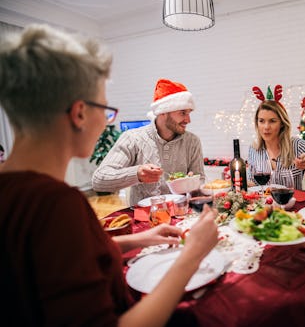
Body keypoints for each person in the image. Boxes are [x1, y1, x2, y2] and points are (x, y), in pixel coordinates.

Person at [0, 24, 219, 326]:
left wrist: (140, 239)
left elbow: (67, 259)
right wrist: (192, 255)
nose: (106, 121)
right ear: (79, 113)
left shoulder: (18, 193)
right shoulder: (55, 205)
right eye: (105, 108)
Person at [92, 78, 205, 206]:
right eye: (182, 113)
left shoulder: (192, 141)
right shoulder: (132, 138)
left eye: (189, 113)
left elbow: (200, 178)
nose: (188, 120)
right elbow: (99, 180)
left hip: (181, 214)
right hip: (144, 219)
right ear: (162, 112)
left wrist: (191, 183)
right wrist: (137, 174)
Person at [248, 85, 305, 191]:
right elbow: (252, 184)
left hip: (292, 205)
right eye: (261, 121)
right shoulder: (254, 149)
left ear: (282, 123)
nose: (266, 127)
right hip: (264, 206)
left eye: (272, 121)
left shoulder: (296, 145)